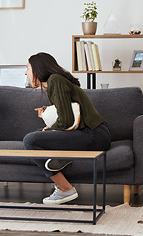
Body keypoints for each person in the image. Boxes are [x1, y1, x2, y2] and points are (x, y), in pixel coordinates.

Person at [23, 52, 111, 205]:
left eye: (28, 68)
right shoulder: (54, 82)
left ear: (38, 69)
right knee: (36, 135)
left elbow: (66, 121)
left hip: (94, 134)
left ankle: (65, 188)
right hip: (87, 133)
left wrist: (47, 131)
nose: (25, 72)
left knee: (30, 140)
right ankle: (62, 158)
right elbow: (66, 113)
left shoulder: (55, 80)